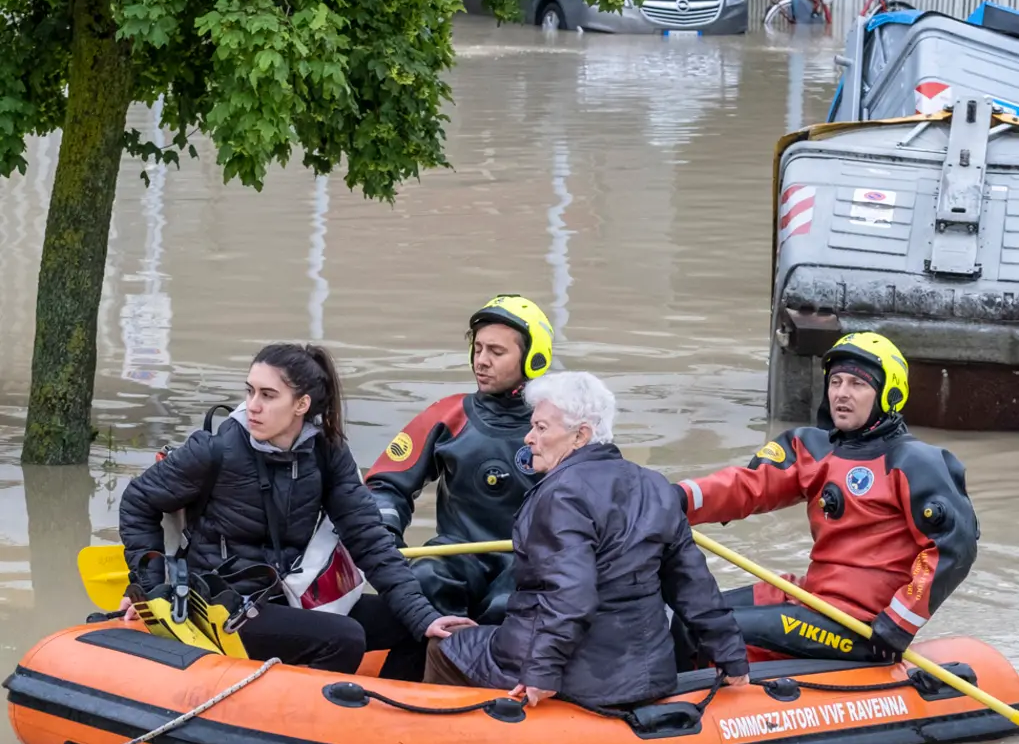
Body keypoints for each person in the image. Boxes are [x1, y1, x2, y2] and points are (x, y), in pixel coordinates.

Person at [119, 343, 472, 675]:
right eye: (250, 391)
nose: (253, 405)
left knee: (411, 626)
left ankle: (388, 719)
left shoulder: (327, 453)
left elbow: (368, 538)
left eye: (268, 395)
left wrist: (423, 616)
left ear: (301, 405)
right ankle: (303, 726)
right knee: (344, 637)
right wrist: (152, 590)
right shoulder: (215, 450)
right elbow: (138, 501)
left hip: (288, 594)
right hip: (219, 602)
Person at [424, 371, 750, 705]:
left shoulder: (561, 494)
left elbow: (570, 595)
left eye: (541, 428)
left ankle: (445, 742)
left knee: (447, 644)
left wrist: (541, 673)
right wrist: (731, 656)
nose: (528, 438)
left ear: (580, 436)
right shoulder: (655, 486)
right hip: (650, 672)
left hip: (578, 678)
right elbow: (692, 583)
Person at [675, 332, 979, 665]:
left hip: (858, 627)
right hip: (812, 600)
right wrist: (675, 499)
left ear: (889, 394)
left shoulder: (915, 462)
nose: (841, 394)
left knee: (701, 631)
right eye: (835, 382)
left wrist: (900, 622)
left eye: (857, 384)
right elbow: (747, 487)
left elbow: (955, 545)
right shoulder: (812, 449)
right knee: (689, 616)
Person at [366, 294, 554, 623]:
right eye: (478, 349)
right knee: (425, 575)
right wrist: (385, 539)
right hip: (458, 554)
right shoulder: (448, 415)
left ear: (534, 359)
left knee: (505, 605)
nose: (481, 361)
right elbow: (387, 485)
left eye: (496, 352)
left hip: (531, 561)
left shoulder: (560, 425)